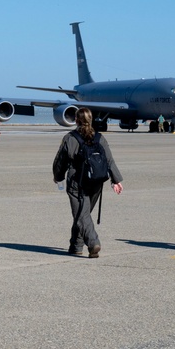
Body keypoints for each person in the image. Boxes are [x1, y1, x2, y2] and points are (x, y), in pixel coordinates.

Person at [52, 108, 124, 258]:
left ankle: (93, 242)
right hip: (96, 182)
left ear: (76, 120)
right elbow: (109, 160)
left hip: (77, 182)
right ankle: (76, 246)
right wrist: (115, 180)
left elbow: (60, 161)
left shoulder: (70, 138)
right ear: (91, 120)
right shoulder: (99, 138)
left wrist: (58, 177)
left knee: (81, 215)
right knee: (83, 214)